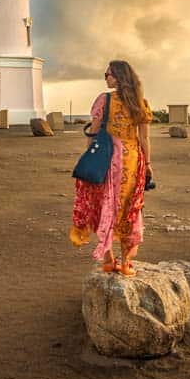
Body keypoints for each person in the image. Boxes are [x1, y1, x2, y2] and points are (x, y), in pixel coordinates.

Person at [70, 60, 153, 276]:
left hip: (109, 161)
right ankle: (126, 263)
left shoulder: (104, 100)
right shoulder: (140, 102)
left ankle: (108, 260)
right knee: (130, 208)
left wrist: (90, 155)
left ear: (118, 76)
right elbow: (143, 139)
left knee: (106, 204)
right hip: (133, 161)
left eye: (107, 74)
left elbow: (94, 132)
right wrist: (149, 165)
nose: (105, 77)